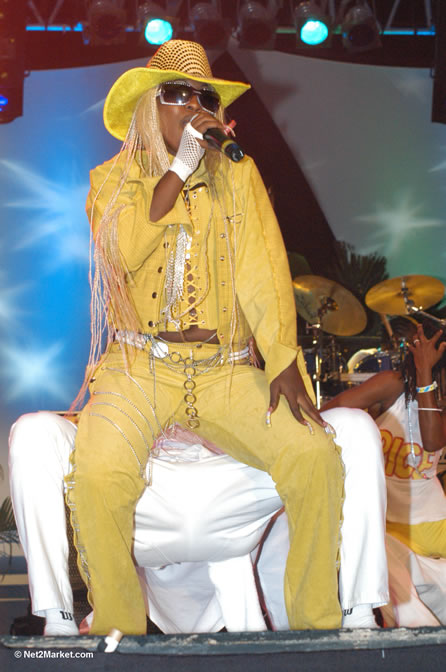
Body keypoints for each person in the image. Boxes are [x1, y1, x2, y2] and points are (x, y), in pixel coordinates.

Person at [63, 38, 346, 635]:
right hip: (138, 368)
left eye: (205, 98)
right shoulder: (111, 179)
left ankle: (317, 631)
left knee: (313, 455)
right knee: (97, 475)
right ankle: (118, 633)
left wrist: (282, 359)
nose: (195, 106)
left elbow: (263, 269)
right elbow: (122, 252)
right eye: (178, 94)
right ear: (150, 105)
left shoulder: (236, 174)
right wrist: (179, 169)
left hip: (224, 370)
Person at [9, 404, 388, 636]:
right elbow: (103, 412)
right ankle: (57, 623)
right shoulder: (128, 323)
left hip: (232, 485)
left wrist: (232, 431)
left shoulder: (247, 320)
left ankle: (359, 617)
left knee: (352, 425)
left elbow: (279, 411)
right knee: (33, 430)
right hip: (148, 490)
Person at [322, 317, 446, 625]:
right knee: (395, 593)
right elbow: (328, 415)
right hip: (387, 523)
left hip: (434, 524)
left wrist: (425, 374)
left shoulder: (440, 397)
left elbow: (432, 440)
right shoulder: (391, 384)